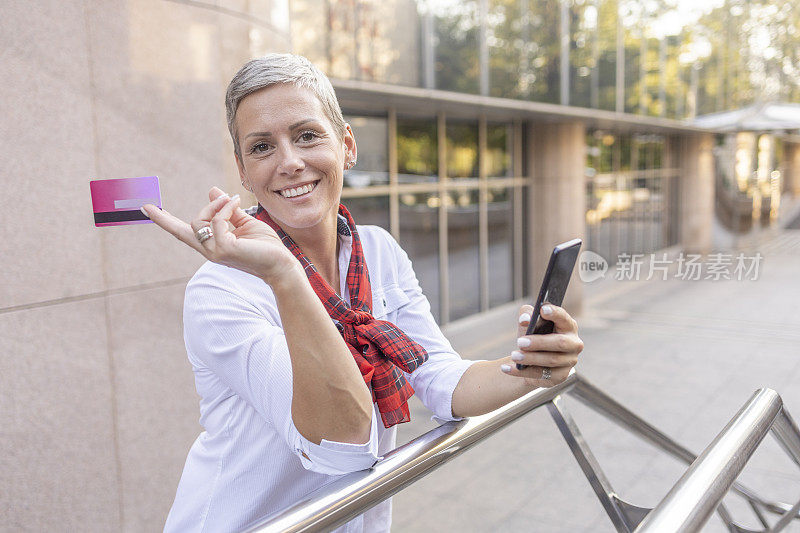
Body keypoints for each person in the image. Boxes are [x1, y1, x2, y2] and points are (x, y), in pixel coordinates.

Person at [142, 53, 584, 533]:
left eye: (307, 135)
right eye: (262, 147)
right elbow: (343, 440)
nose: (289, 163)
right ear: (243, 172)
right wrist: (285, 276)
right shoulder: (221, 290)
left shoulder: (378, 250)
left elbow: (439, 378)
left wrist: (526, 369)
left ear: (346, 145)